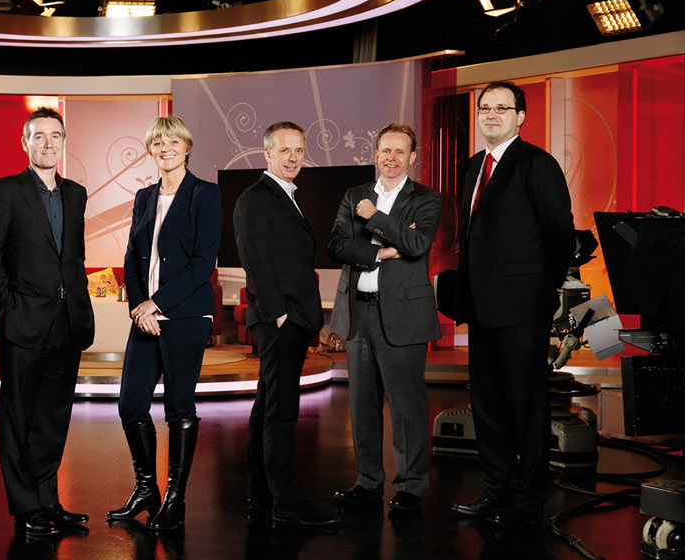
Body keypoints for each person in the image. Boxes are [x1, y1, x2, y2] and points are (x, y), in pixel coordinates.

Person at [449, 81, 574, 528]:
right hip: (480, 308)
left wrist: (544, 296)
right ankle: (496, 488)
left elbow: (561, 236)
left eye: (502, 108)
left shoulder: (537, 164)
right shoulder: (471, 167)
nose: (491, 114)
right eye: (485, 107)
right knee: (487, 406)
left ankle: (529, 498)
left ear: (521, 116)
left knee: (527, 406)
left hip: (523, 309)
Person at [0, 107, 95, 538]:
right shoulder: (5, 191)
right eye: (39, 136)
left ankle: (48, 500)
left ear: (64, 142)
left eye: (56, 135)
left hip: (68, 321)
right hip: (24, 321)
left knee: (52, 416)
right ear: (24, 143)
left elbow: (74, 257)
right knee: (18, 416)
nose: (48, 143)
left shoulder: (76, 193)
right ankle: (25, 507)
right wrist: (8, 304)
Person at [110, 115, 220, 532]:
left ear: (187, 147)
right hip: (146, 316)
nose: (166, 148)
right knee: (130, 403)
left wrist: (156, 304)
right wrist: (140, 305)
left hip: (187, 315)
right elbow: (131, 259)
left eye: (174, 141)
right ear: (151, 149)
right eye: (158, 142)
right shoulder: (143, 197)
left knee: (178, 407)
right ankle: (146, 489)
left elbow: (201, 263)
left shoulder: (204, 195)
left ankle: (176, 498)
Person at [326, 124, 443, 515]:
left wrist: (374, 217)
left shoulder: (426, 199)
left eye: (400, 152)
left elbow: (415, 244)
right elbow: (337, 245)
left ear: (413, 157)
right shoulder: (353, 195)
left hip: (404, 315)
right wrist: (379, 252)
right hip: (359, 309)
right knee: (362, 404)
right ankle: (368, 480)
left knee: (407, 405)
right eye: (384, 151)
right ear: (375, 154)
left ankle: (411, 485)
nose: (391, 158)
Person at [233, 121, 337, 529]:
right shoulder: (255, 198)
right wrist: (279, 314)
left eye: (299, 150)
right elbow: (255, 260)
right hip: (280, 320)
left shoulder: (287, 196)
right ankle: (287, 502)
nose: (293, 157)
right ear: (267, 155)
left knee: (267, 406)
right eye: (285, 150)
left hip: (290, 317)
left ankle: (261, 493)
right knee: (281, 411)